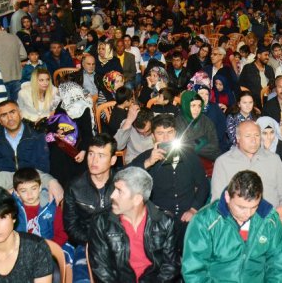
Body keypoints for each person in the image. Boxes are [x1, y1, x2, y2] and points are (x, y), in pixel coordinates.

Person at [182, 170, 282, 282]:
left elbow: (280, 267)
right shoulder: (204, 221)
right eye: (241, 207)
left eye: (254, 207)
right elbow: (194, 272)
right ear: (227, 197)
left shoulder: (269, 220)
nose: (248, 214)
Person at [129, 113, 209, 252]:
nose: (166, 138)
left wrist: (194, 208)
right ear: (153, 136)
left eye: (169, 132)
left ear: (176, 134)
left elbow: (203, 184)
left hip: (186, 217)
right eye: (160, 133)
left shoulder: (189, 155)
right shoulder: (146, 158)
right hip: (158, 220)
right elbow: (125, 180)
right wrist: (148, 163)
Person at [89, 167, 179, 282]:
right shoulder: (101, 222)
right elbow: (102, 271)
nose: (112, 196)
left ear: (137, 199)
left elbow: (170, 267)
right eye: (114, 189)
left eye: (119, 191)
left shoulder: (164, 222)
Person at [63, 134, 118, 283]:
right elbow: (71, 226)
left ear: (112, 160)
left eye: (101, 155)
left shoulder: (122, 183)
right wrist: (93, 240)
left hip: (119, 243)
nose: (94, 160)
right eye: (91, 154)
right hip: (87, 243)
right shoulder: (75, 186)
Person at [211, 120, 282, 208]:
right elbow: (218, 201)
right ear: (238, 138)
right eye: (248, 136)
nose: (253, 140)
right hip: (237, 219)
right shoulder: (223, 162)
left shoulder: (273, 159)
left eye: (257, 135)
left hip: (272, 217)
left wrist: (275, 216)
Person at [0, 100, 50, 173]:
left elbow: (43, 169)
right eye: (4, 115)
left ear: (20, 114)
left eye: (12, 112)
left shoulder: (37, 137)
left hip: (32, 180)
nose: (10, 118)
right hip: (6, 182)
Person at [12, 167, 68, 247]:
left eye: (33, 188)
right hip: (23, 249)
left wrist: (47, 249)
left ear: (40, 187)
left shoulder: (51, 207)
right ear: (16, 192)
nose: (30, 194)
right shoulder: (13, 209)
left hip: (50, 248)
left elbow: (62, 234)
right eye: (23, 191)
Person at [0, 18, 27, 101]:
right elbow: (24, 55)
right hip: (17, 77)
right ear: (0, 26)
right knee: (17, 105)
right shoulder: (14, 37)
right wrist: (13, 58)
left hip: (0, 79)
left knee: (5, 106)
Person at [174, 90, 221, 163]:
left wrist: (193, 144)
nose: (197, 109)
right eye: (193, 105)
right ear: (185, 105)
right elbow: (182, 148)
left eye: (199, 106)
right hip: (186, 161)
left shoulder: (206, 121)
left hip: (209, 160)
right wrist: (203, 141)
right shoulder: (178, 122)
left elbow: (214, 146)